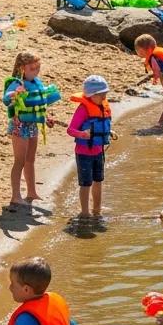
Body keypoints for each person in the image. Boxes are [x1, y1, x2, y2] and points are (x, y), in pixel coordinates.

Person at [3, 51, 58, 208]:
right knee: (19, 161)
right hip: (20, 125)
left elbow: (39, 104)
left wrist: (46, 119)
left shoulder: (37, 82)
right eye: (32, 68)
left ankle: (32, 192)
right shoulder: (16, 83)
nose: (36, 71)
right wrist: (15, 93)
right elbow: (6, 99)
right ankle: (15, 196)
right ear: (22, 69)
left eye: (37, 68)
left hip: (33, 125)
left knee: (30, 160)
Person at [66, 74, 112, 229]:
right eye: (102, 95)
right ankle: (85, 212)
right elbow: (70, 130)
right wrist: (82, 134)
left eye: (106, 94)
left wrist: (109, 132)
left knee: (98, 181)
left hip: (98, 151)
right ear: (92, 95)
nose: (105, 97)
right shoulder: (83, 109)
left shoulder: (102, 106)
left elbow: (101, 123)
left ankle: (97, 210)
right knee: (86, 183)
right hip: (84, 152)